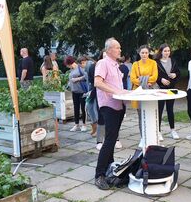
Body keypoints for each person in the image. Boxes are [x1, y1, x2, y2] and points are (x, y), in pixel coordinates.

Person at [94, 37, 127, 190]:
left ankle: (109, 169)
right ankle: (99, 175)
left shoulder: (116, 65)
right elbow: (98, 83)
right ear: (108, 50)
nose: (120, 50)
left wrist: (128, 93)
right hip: (109, 105)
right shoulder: (103, 63)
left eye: (120, 48)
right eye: (117, 48)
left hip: (119, 105)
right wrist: (117, 92)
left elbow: (117, 86)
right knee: (109, 140)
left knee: (112, 139)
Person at [130, 45, 158, 145]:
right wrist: (146, 80)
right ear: (139, 53)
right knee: (141, 115)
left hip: (150, 92)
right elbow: (133, 79)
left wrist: (142, 79)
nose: (144, 54)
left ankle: (152, 137)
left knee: (151, 113)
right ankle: (143, 137)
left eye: (146, 53)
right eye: (142, 53)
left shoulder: (153, 63)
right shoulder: (135, 64)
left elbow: (154, 77)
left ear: (149, 53)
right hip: (139, 92)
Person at [155, 43, 181, 140]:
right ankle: (158, 131)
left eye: (168, 51)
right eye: (165, 51)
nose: (167, 53)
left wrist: (175, 75)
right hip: (161, 89)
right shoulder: (156, 62)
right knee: (160, 109)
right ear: (161, 51)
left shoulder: (173, 61)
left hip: (171, 89)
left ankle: (173, 130)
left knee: (170, 109)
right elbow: (154, 75)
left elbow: (178, 73)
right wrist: (161, 80)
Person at [67, 56, 88, 132]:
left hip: (82, 91)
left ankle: (84, 125)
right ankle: (76, 124)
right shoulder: (71, 70)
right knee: (76, 108)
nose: (67, 66)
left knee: (83, 108)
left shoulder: (80, 68)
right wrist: (69, 85)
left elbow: (86, 76)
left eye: (67, 64)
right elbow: (70, 79)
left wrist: (77, 79)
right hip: (74, 91)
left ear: (71, 63)